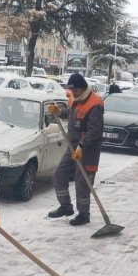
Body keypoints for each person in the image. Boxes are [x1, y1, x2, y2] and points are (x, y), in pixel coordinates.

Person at [46, 73, 104, 226]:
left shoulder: (95, 104)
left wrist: (82, 146)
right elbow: (72, 113)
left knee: (82, 182)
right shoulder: (74, 98)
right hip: (73, 146)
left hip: (88, 150)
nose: (72, 93)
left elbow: (94, 131)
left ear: (82, 88)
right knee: (60, 174)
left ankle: (84, 214)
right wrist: (59, 112)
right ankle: (66, 206)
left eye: (75, 90)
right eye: (71, 90)